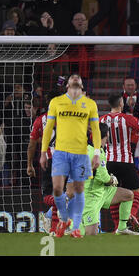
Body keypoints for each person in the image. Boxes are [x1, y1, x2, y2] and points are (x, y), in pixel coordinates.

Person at [39, 74, 102, 238]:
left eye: (78, 84)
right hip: (60, 154)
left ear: (82, 88)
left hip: (80, 154)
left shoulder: (89, 104)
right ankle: (56, 218)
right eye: (72, 83)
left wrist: (96, 153)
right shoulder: (57, 102)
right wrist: (43, 152)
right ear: (67, 86)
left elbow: (96, 129)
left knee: (77, 191)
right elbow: (48, 129)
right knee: (58, 190)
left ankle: (72, 227)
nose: (75, 86)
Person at [99, 93, 139, 233]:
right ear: (121, 103)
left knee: (114, 193)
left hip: (108, 162)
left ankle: (117, 226)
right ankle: (131, 214)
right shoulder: (127, 118)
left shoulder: (101, 119)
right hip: (126, 162)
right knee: (135, 192)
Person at [80, 123, 139, 236]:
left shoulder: (94, 149)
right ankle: (70, 223)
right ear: (106, 135)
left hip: (102, 191)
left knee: (128, 195)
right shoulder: (95, 153)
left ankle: (122, 228)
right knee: (89, 234)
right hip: (91, 196)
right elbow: (104, 178)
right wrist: (112, 180)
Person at [27, 90, 63, 234]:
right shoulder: (68, 120)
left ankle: (51, 222)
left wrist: (29, 165)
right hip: (66, 160)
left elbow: (32, 145)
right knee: (61, 195)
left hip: (48, 161)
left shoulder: (40, 120)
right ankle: (53, 224)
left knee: (49, 196)